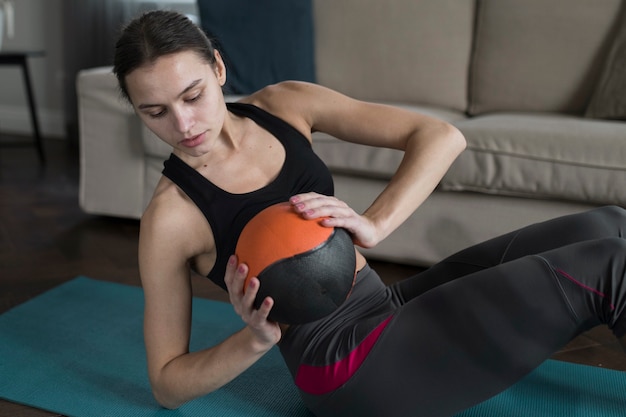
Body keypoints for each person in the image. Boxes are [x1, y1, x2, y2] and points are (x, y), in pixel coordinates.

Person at [113, 10, 626, 417]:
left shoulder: (284, 104)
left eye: (193, 95)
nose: (182, 123)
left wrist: (375, 222)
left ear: (219, 69)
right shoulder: (171, 217)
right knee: (613, 265)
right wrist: (255, 339)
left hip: (386, 306)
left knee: (610, 223)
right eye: (154, 111)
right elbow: (166, 384)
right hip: (345, 368)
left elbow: (440, 136)